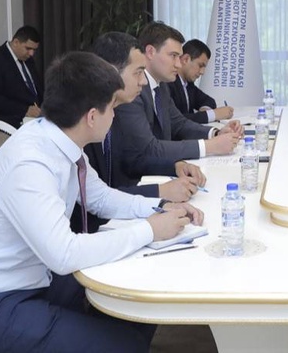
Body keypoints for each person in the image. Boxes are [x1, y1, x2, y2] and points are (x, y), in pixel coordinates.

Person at [0, 51, 204, 352]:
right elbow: (63, 254)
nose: (114, 116)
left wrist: (159, 208)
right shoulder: (31, 163)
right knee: (125, 343)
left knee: (139, 299)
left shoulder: (59, 140)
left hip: (31, 278)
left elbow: (100, 197)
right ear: (92, 116)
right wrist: (150, 230)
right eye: (112, 108)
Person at [69, 32, 208, 234]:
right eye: (138, 72)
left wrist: (173, 168)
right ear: (110, 73)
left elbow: (127, 161)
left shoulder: (113, 109)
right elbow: (88, 207)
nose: (143, 82)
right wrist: (157, 204)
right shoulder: (82, 122)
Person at [112, 22, 243, 190]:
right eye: (173, 56)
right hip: (134, 184)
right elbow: (149, 148)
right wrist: (209, 146)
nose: (179, 64)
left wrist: (215, 133)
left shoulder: (161, 86)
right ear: (150, 52)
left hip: (161, 172)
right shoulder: (133, 90)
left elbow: (178, 123)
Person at [0, 25, 44, 127]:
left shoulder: (28, 60)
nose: (31, 54)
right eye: (28, 48)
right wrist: (25, 110)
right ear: (16, 42)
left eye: (34, 50)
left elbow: (37, 87)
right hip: (11, 118)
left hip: (35, 115)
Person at [165, 39, 234, 124]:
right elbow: (176, 120)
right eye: (200, 66)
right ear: (185, 59)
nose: (202, 72)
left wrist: (205, 110)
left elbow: (208, 100)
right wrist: (213, 114)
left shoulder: (188, 84)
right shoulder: (167, 83)